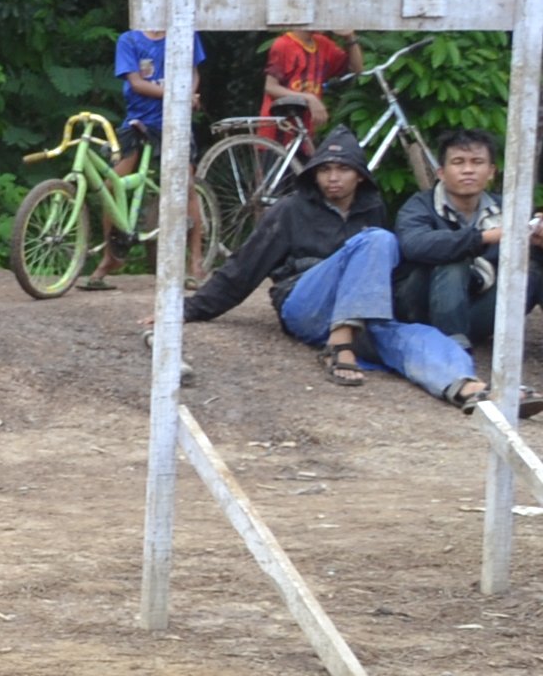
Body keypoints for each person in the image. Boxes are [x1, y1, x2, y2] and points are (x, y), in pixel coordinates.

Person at [185, 128, 488, 407]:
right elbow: (243, 267)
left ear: (359, 176)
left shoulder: (373, 208)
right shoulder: (290, 209)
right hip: (305, 304)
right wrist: (189, 310)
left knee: (418, 336)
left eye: (343, 169)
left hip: (360, 312)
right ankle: (339, 344)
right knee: (378, 240)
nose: (333, 177)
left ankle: (463, 385)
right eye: (325, 170)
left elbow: (378, 275)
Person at [395, 126, 541, 354]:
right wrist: (484, 237)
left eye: (477, 162)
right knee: (453, 258)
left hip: (477, 311)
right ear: (441, 172)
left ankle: (459, 340)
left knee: (534, 271)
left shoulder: (508, 209)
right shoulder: (419, 206)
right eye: (458, 162)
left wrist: (538, 241)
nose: (468, 170)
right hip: (421, 312)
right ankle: (453, 348)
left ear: (491, 171)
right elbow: (414, 244)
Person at [112, 25, 204, 169]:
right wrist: (180, 96)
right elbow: (137, 84)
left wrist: (188, 95)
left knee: (184, 178)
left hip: (175, 118)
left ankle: (194, 192)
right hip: (139, 116)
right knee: (123, 165)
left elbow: (192, 73)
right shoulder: (129, 40)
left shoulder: (185, 34)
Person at [264, 27, 359, 137]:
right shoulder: (283, 44)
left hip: (306, 128)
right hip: (279, 127)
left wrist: (350, 37)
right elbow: (270, 87)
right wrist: (310, 98)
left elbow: (356, 68)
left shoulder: (323, 44)